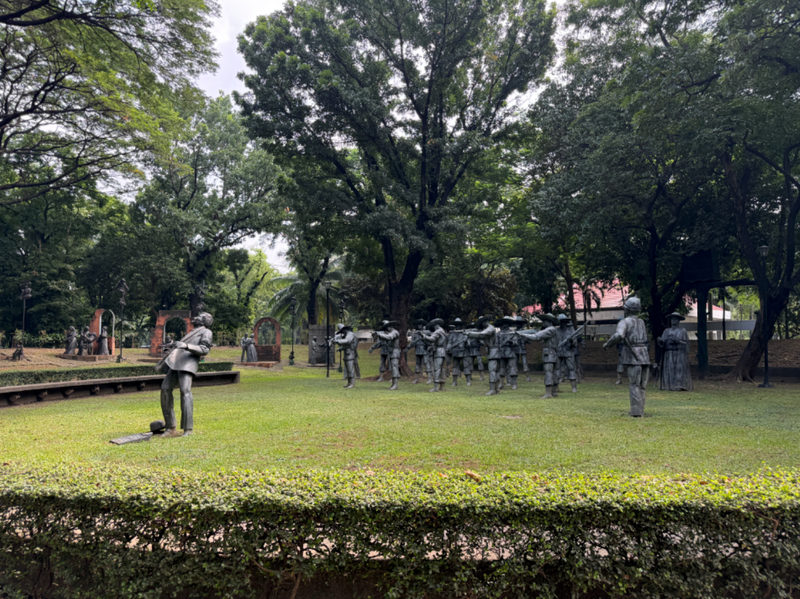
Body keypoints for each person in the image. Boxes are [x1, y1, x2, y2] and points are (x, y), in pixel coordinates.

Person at [155, 311, 214, 437]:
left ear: (204, 321)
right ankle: (170, 427)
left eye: (199, 316)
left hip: (187, 365)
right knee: (165, 389)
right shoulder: (192, 331)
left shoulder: (206, 332)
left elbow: (205, 349)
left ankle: (188, 428)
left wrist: (186, 346)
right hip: (176, 363)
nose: (196, 317)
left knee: (185, 392)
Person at [603, 297, 650, 417]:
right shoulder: (641, 322)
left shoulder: (624, 322)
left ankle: (636, 411)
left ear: (627, 309)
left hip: (633, 354)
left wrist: (608, 344)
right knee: (642, 385)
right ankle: (640, 409)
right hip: (644, 354)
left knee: (634, 384)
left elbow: (619, 335)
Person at [517, 313, 560, 398]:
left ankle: (548, 393)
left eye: (544, 321)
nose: (543, 322)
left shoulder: (550, 329)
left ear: (549, 321)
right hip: (552, 353)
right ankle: (554, 392)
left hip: (549, 354)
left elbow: (536, 337)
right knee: (553, 372)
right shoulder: (552, 329)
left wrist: (522, 334)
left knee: (548, 372)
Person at [658, 312, 693, 391]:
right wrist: (660, 341)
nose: (673, 321)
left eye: (675, 319)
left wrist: (677, 341)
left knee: (678, 370)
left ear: (679, 320)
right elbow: (663, 343)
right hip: (668, 353)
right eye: (672, 319)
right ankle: (668, 385)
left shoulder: (682, 331)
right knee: (669, 369)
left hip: (679, 353)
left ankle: (679, 385)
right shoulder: (666, 331)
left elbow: (686, 344)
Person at [466, 315, 500, 396]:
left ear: (485, 322)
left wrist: (469, 334)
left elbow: (481, 334)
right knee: (494, 370)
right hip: (493, 351)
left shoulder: (490, 328)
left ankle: (492, 390)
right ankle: (496, 389)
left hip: (493, 351)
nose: (481, 325)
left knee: (492, 370)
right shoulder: (489, 329)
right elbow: (482, 338)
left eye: (482, 323)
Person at [374, 320, 401, 390]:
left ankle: (396, 385)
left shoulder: (394, 332)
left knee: (394, 367)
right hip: (391, 352)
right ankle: (393, 384)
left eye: (389, 326)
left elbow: (389, 337)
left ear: (391, 326)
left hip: (395, 352)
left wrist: (379, 334)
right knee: (393, 367)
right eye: (386, 327)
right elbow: (384, 339)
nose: (388, 328)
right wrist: (378, 335)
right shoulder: (390, 332)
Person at [422, 318, 447, 392]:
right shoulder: (442, 330)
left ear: (435, 325)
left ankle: (436, 387)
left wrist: (424, 337)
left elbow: (432, 339)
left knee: (437, 368)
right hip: (442, 351)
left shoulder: (438, 331)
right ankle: (441, 387)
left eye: (433, 326)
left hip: (439, 351)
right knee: (441, 369)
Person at [555, 315, 579, 394]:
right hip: (559, 352)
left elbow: (575, 344)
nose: (562, 324)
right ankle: (556, 387)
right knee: (557, 369)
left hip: (568, 352)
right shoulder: (557, 331)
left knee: (571, 368)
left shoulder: (571, 331)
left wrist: (571, 340)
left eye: (563, 322)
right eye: (561, 322)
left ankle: (574, 388)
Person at [333, 323, 359, 388]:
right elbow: (345, 345)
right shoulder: (346, 335)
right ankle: (349, 383)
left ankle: (352, 384)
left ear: (344, 330)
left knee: (350, 369)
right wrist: (340, 348)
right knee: (347, 369)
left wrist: (337, 341)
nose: (342, 333)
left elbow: (347, 341)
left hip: (350, 354)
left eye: (342, 331)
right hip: (346, 354)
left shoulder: (350, 334)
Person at [497, 316, 519, 390]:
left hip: (510, 351)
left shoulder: (512, 333)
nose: (504, 325)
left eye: (506, 323)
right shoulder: (498, 333)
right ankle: (501, 383)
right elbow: (496, 343)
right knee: (501, 368)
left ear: (508, 324)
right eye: (503, 323)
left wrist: (511, 342)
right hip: (501, 352)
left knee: (512, 368)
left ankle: (514, 384)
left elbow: (516, 343)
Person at [410, 319, 429, 384]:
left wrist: (422, 335)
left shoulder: (426, 332)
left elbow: (428, 341)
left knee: (426, 362)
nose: (419, 326)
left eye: (420, 324)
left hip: (424, 349)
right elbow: (412, 342)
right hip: (418, 349)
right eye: (418, 325)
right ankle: (416, 379)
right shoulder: (415, 333)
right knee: (417, 363)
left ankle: (429, 378)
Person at [514, 317, 531, 382]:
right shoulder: (514, 331)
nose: (518, 324)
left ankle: (528, 376)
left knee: (525, 363)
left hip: (522, 349)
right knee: (514, 363)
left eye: (519, 323)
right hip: (515, 349)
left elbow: (529, 342)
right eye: (517, 323)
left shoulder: (525, 331)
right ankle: (514, 376)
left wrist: (525, 337)